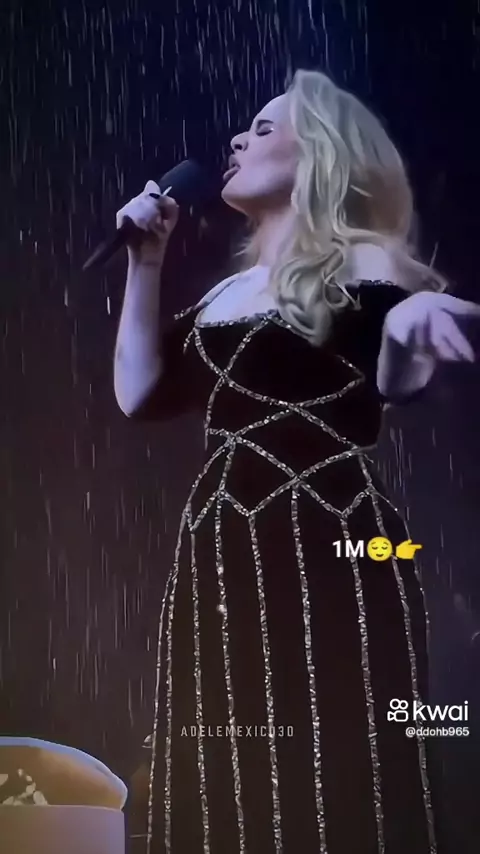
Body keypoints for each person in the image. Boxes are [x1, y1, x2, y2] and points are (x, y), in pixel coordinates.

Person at [113, 70, 480, 854]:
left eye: (264, 129)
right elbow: (139, 392)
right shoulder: (228, 294)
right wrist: (146, 261)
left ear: (322, 154)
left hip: (330, 533)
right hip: (220, 542)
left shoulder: (367, 262)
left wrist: (411, 325)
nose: (237, 140)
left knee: (334, 758)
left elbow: (395, 377)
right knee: (225, 761)